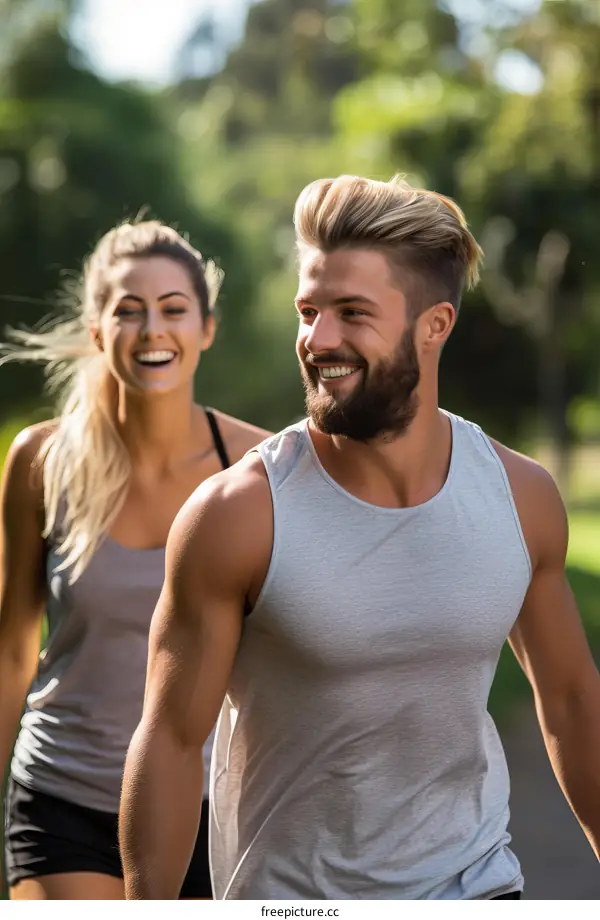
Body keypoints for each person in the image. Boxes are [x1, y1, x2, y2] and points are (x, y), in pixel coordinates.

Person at [119, 176, 600, 901]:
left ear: (434, 325)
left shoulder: (520, 498)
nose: (318, 339)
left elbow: (568, 699)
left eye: (352, 313)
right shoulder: (239, 516)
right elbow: (171, 742)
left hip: (474, 886)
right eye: (308, 311)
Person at [0, 219, 270, 900]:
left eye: (174, 309)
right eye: (128, 310)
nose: (153, 329)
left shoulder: (259, 469)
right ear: (97, 330)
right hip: (62, 795)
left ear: (206, 328)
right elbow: (11, 652)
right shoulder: (40, 460)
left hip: (215, 814)